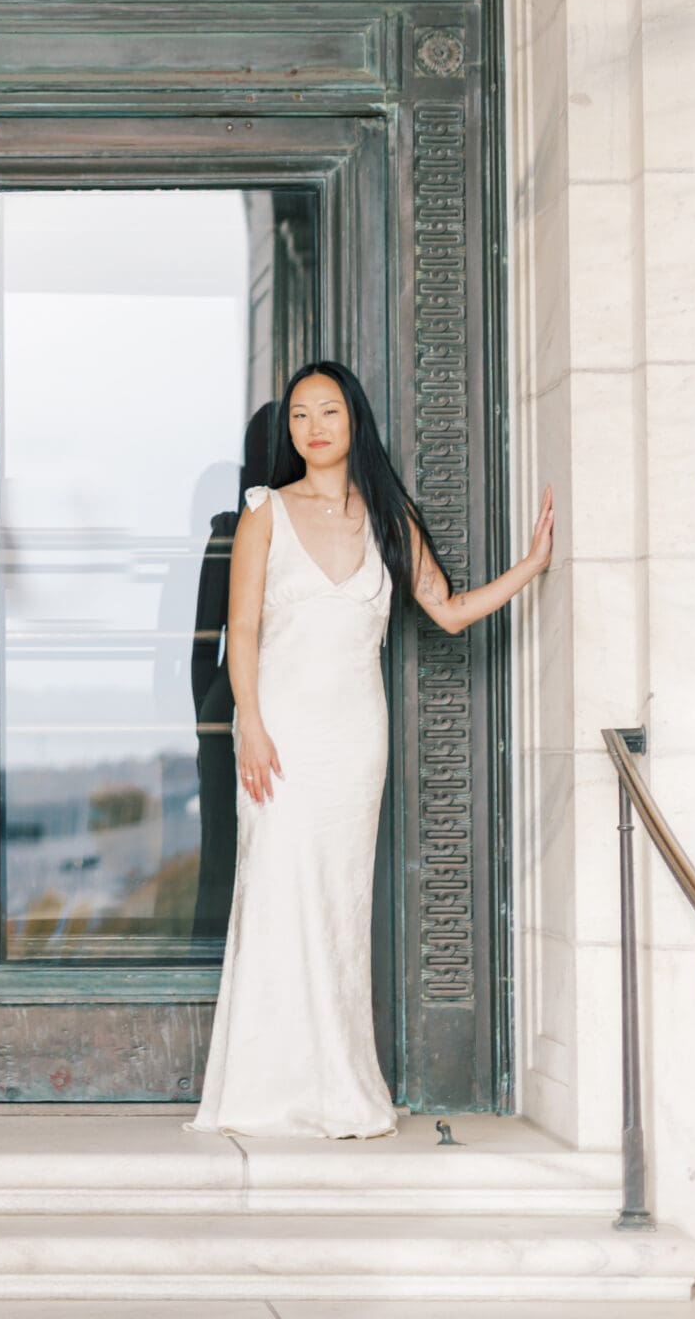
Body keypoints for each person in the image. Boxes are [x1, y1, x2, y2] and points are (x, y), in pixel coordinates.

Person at [189, 361, 552, 1139]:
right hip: (280, 735)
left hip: (354, 740)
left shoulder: (389, 514)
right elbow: (241, 630)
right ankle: (261, 1089)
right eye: (299, 416)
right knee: (278, 890)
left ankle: (340, 1086)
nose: (313, 427)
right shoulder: (264, 513)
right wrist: (250, 724)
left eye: (328, 411)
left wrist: (531, 568)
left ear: (353, 419)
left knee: (339, 904)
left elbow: (447, 610)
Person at [189, 404, 273, 947]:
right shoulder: (234, 528)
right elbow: (206, 644)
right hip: (232, 712)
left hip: (252, 707)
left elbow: (202, 651)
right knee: (225, 848)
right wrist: (210, 726)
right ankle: (211, 963)